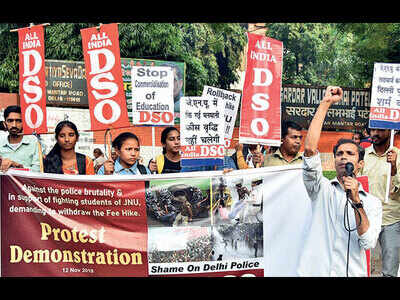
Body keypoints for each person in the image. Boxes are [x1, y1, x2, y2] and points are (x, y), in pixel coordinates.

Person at [298, 86, 382, 277]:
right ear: (334, 161)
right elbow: (310, 150)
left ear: (359, 164)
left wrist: (356, 202)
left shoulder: (373, 203)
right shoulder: (320, 190)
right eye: (339, 154)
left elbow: (368, 243)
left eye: (349, 154)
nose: (343, 157)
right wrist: (325, 103)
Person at [359, 128, 400, 277]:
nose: (374, 133)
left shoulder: (398, 156)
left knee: (390, 270)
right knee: (362, 267)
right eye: (372, 129)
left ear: (390, 132)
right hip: (366, 221)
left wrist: (394, 168)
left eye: (380, 130)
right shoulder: (362, 155)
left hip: (391, 220)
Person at [0, 105, 42, 172]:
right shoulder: (0, 144)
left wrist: (18, 166)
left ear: (24, 123)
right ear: (5, 123)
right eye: (10, 121)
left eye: (18, 121)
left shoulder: (34, 142)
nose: (14, 125)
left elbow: (38, 171)